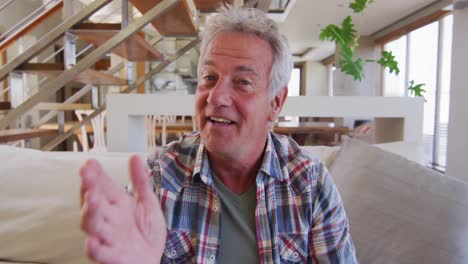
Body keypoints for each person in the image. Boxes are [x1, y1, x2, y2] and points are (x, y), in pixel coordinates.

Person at [79, 6, 358, 264]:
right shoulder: (160, 177)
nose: (216, 96)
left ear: (275, 103)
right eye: (209, 78)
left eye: (243, 82)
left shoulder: (310, 184)